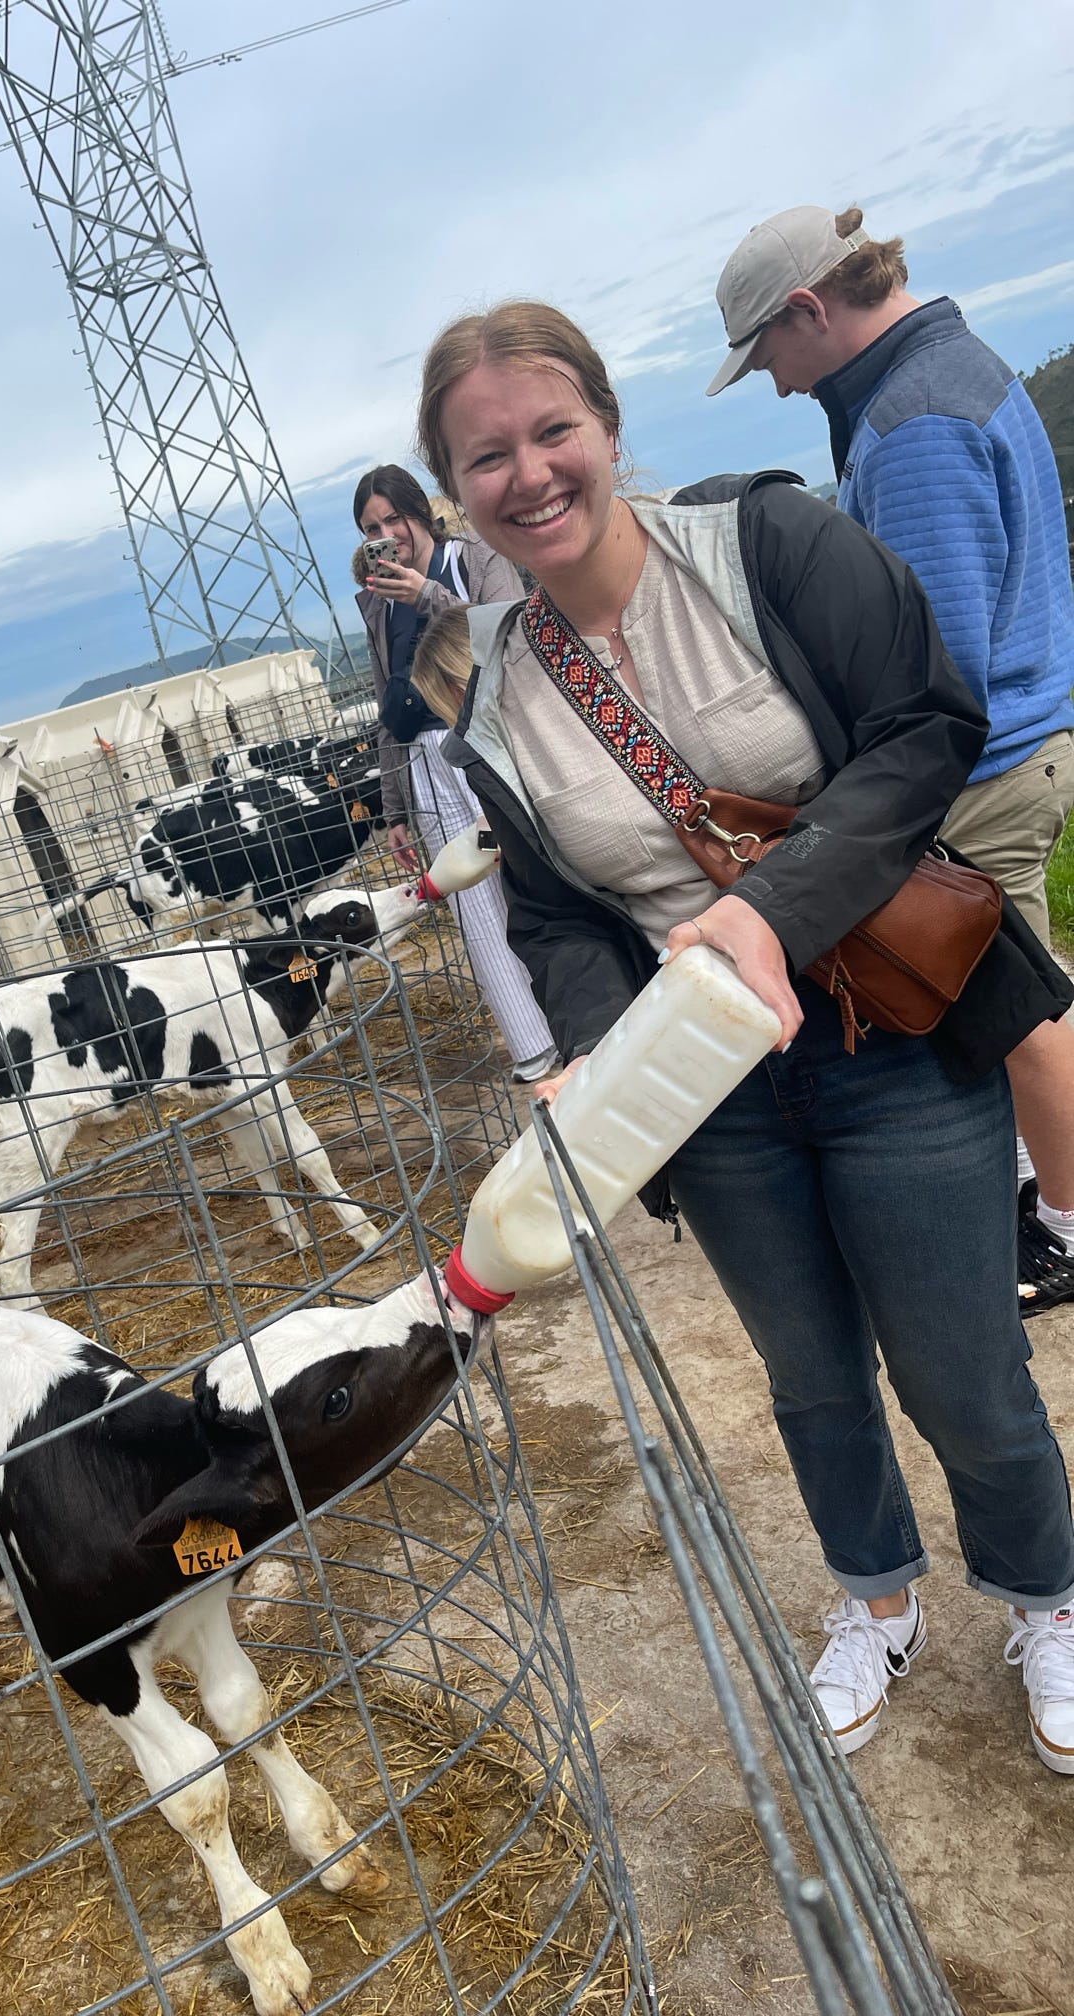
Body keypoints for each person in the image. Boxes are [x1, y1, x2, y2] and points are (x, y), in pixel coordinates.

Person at [417, 298, 1074, 1769]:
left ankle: (1048, 1599)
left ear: (605, 427)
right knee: (812, 1375)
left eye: (551, 432)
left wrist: (771, 910)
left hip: (889, 1030)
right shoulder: (495, 710)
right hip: (703, 1087)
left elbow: (924, 724)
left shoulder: (763, 547)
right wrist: (596, 1050)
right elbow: (560, 918)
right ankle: (876, 1599)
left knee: (962, 1359)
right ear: (457, 491)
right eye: (486, 456)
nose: (527, 473)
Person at [707, 205, 1074, 1316]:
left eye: (767, 351)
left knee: (1022, 1007)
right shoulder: (950, 373)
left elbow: (931, 662)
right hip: (1021, 738)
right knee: (1012, 991)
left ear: (810, 309)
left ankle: (1066, 1224)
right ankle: (1040, 1187)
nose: (773, 382)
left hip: (987, 765)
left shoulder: (914, 424)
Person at [353, 465, 557, 1081]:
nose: (387, 534)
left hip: (494, 738)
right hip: (429, 761)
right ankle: (535, 1048)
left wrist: (428, 597)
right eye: (371, 528)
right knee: (478, 908)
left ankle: (587, 1020)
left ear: (421, 514)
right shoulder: (374, 602)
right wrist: (394, 810)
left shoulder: (474, 558)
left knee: (543, 877)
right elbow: (389, 701)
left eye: (395, 519)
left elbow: (510, 633)